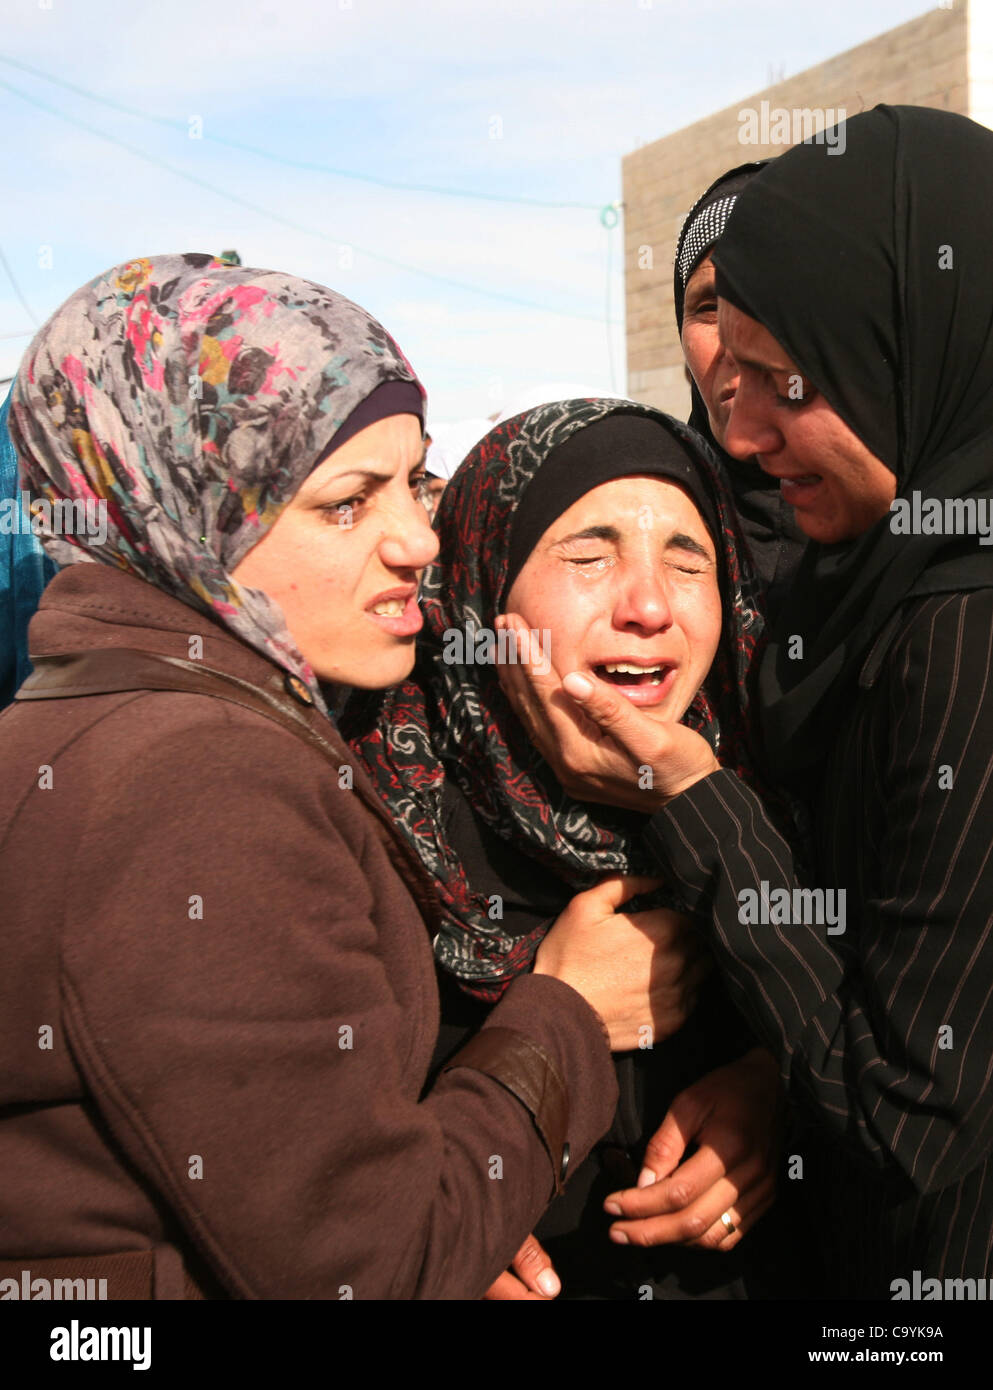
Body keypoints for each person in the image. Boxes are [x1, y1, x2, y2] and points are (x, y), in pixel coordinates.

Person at [0, 254, 701, 1301]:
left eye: (414, 483)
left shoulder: (105, 717)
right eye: (346, 503)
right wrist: (565, 1009)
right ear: (189, 518)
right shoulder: (196, 779)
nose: (419, 538)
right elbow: (372, 1267)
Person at [490, 106, 993, 1299]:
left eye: (789, 378)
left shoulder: (958, 626)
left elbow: (902, 1118)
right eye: (587, 552)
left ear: (909, 350)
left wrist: (698, 795)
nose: (749, 430)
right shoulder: (873, 578)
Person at [346, 398, 788, 1300]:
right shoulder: (363, 822)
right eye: (588, 557)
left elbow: (886, 1055)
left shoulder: (769, 788)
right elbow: (302, 1174)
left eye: (688, 559)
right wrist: (439, 1225)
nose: (649, 605)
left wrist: (777, 1096)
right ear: (478, 583)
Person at [674, 163, 805, 618]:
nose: (737, 341)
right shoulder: (650, 512)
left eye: (766, 302)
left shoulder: (914, 528)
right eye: (709, 308)